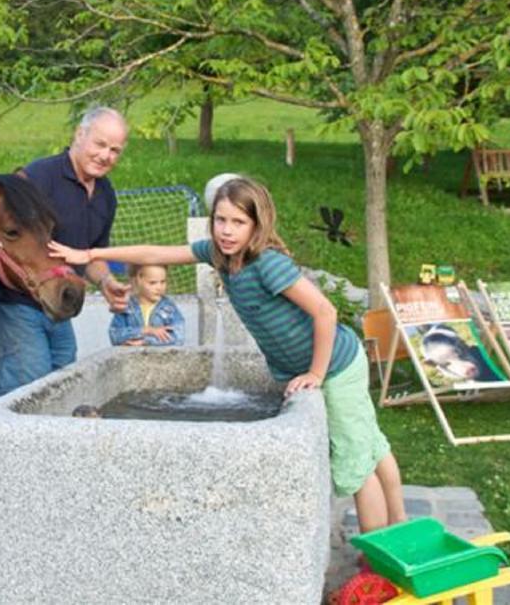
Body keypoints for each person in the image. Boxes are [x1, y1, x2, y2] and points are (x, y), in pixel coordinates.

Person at [50, 175, 406, 534]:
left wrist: (316, 373)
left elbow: (325, 313)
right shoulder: (219, 256)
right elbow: (155, 253)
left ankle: (379, 558)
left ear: (257, 225)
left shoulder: (268, 264)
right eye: (221, 220)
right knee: (371, 446)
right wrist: (93, 254)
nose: (227, 231)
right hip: (329, 365)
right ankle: (400, 524)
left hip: (336, 367)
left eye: (238, 222)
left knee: (355, 467)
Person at [0, 106, 131, 398]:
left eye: (115, 150)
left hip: (59, 306)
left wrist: (107, 283)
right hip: (17, 304)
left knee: (63, 390)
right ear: (79, 134)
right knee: (27, 394)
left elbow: (92, 256)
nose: (105, 156)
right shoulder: (37, 177)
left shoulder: (106, 195)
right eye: (99, 144)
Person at [109, 264, 185, 346]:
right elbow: (115, 335)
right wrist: (145, 330)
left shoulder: (169, 308)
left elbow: (178, 337)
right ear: (138, 279)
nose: (159, 287)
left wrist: (146, 342)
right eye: (152, 283)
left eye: (163, 282)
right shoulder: (126, 307)